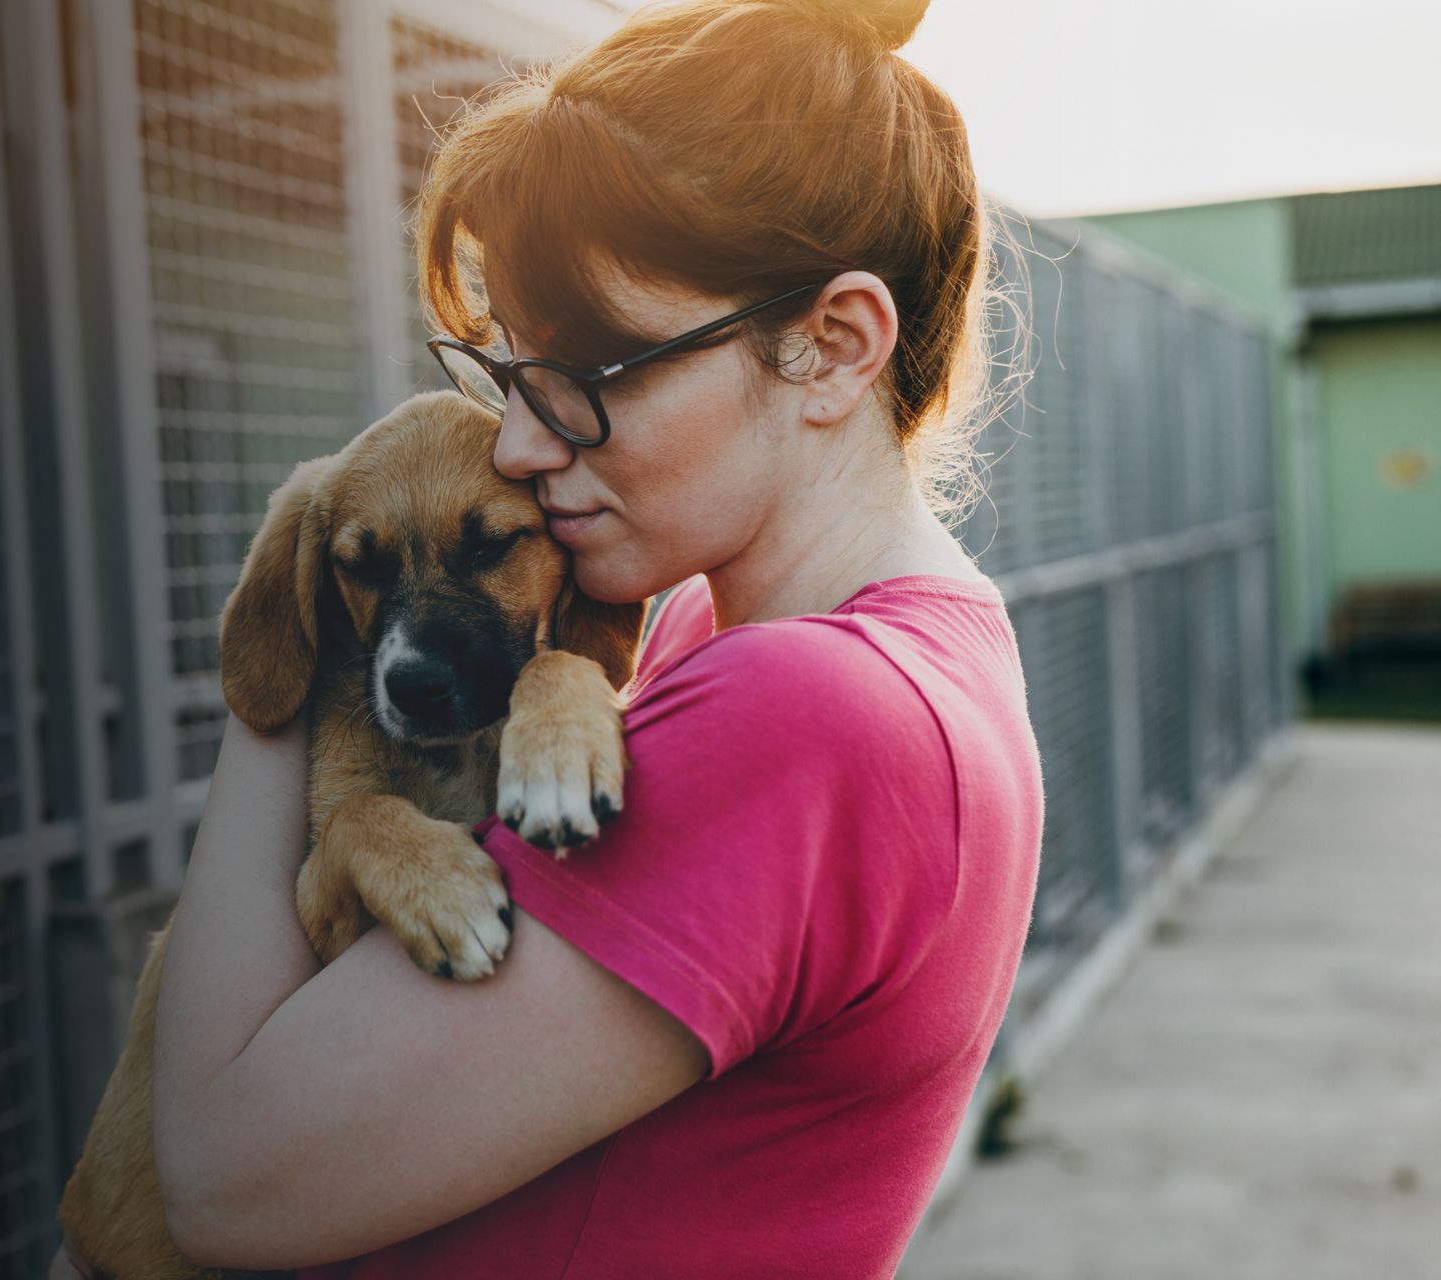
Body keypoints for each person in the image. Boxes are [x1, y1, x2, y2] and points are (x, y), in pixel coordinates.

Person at [132, 1, 1045, 1276]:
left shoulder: (807, 713)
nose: (516, 443)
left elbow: (226, 1181)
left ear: (832, 348)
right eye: (506, 371)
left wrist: (306, 625)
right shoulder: (773, 640)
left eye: (592, 371)